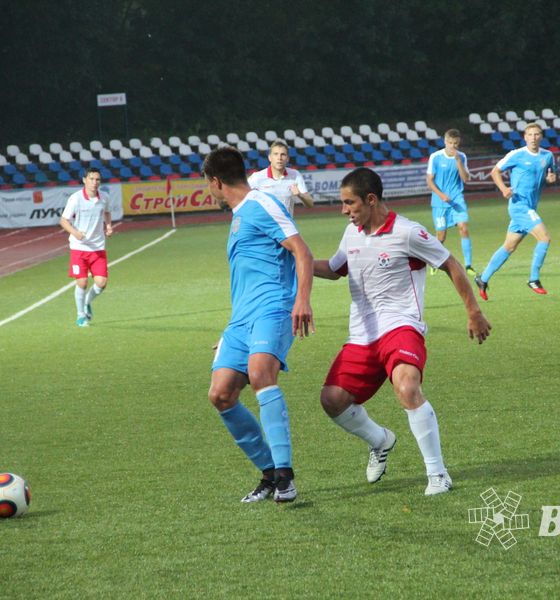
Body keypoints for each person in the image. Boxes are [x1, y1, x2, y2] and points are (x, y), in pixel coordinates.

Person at [313, 167, 491, 496]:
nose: (343, 210)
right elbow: (336, 269)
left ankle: (438, 475)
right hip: (362, 334)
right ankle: (380, 440)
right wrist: (300, 260)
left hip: (401, 325)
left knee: (408, 387)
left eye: (348, 203)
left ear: (370, 200)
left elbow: (450, 263)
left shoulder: (407, 232)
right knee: (332, 400)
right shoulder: (351, 232)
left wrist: (474, 311)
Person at [204, 145, 314, 503]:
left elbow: (301, 250)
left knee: (261, 374)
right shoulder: (238, 215)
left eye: (208, 183)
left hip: (273, 309)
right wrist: (229, 332)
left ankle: (285, 476)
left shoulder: (262, 204)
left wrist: (302, 299)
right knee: (220, 394)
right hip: (241, 320)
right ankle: (268, 473)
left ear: (217, 181)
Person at [474, 122, 556, 299]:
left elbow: (550, 174)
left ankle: (483, 278)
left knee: (509, 246)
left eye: (536, 134)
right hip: (519, 206)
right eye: (530, 135)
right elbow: (495, 171)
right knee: (545, 238)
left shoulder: (548, 156)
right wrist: (504, 189)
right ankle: (534, 279)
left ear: (541, 136)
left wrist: (551, 178)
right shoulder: (516, 155)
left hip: (530, 207)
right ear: (525, 137)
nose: (533, 138)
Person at [59, 167, 114, 327]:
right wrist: (75, 233)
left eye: (97, 179)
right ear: (84, 180)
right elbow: (63, 220)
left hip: (97, 247)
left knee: (101, 283)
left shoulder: (104, 197)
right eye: (91, 179)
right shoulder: (75, 199)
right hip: (79, 247)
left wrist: (109, 226)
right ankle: (80, 315)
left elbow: (107, 212)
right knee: (82, 282)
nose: (94, 182)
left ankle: (87, 303)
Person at [426, 129, 475, 276]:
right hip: (440, 202)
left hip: (457, 200)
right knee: (441, 237)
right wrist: (441, 195)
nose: (453, 146)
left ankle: (468, 266)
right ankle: (434, 261)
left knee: (464, 228)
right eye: (450, 143)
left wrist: (458, 161)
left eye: (456, 144)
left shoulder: (462, 157)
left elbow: (466, 179)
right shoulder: (435, 157)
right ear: (445, 142)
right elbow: (429, 180)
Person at [247, 140, 315, 218]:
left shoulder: (295, 175)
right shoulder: (257, 177)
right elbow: (239, 196)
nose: (279, 158)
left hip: (287, 227)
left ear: (287, 158)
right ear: (270, 157)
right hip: (265, 228)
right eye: (276, 154)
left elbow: (310, 204)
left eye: (283, 154)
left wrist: (300, 195)